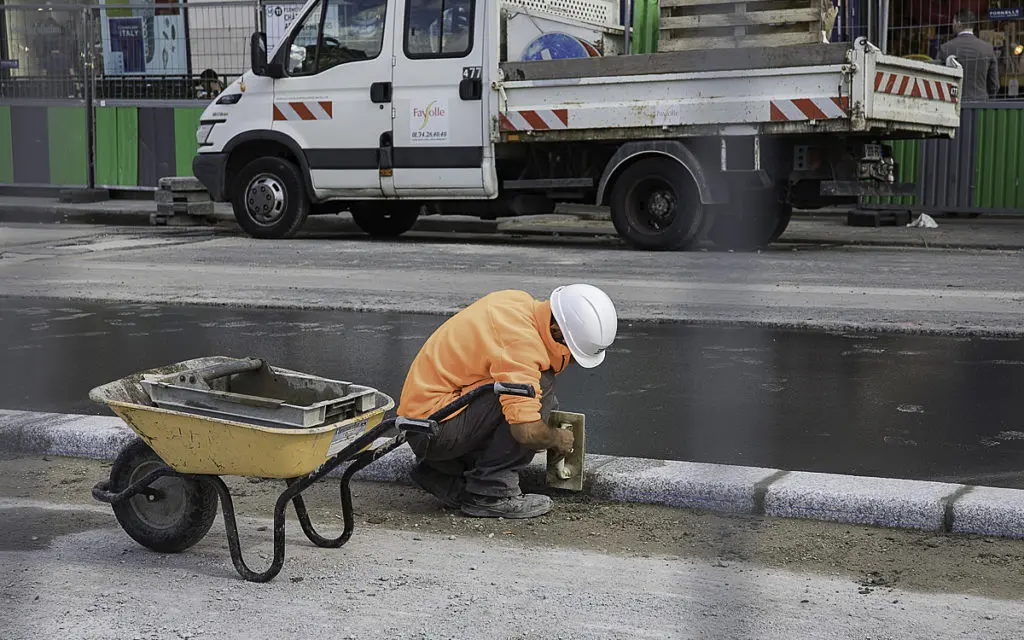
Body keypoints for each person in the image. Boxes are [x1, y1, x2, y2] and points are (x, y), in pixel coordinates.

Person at [398, 285, 617, 519]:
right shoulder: (522, 347)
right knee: (535, 390)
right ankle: (491, 493)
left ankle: (445, 474)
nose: (571, 360)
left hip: (423, 423)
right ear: (556, 330)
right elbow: (526, 431)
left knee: (536, 402)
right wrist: (555, 438)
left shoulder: (518, 303)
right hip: (434, 431)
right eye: (573, 353)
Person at [936, 9, 999, 101]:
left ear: (959, 23)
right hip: (980, 102)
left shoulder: (946, 48)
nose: (952, 25)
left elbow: (937, 78)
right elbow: (994, 84)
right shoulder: (987, 49)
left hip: (953, 101)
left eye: (953, 22)